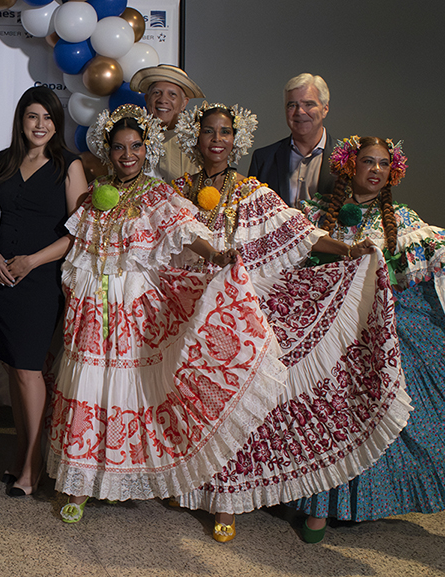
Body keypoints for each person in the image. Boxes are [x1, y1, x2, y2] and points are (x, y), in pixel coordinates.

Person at [169, 105, 405, 543]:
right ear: (194, 138)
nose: (217, 140)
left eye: (225, 133)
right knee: (193, 398)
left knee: (234, 401)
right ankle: (187, 480)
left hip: (240, 314)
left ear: (236, 142)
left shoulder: (254, 191)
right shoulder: (176, 191)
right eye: (208, 132)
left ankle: (227, 501)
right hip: (188, 310)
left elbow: (301, 234)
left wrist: (349, 252)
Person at [48, 104, 286, 524]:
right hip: (93, 308)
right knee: (89, 384)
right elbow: (79, 248)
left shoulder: (159, 194)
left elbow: (187, 234)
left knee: (132, 388)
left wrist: (216, 253)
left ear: (147, 149)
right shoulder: (94, 196)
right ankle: (81, 481)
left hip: (134, 310)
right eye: (119, 147)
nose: (127, 156)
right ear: (107, 150)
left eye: (136, 147)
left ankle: (132, 473)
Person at [293, 136, 445, 542]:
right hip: (328, 334)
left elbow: (429, 262)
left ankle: (360, 503)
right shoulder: (314, 213)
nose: (375, 170)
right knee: (329, 413)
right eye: (367, 162)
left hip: (377, 332)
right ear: (349, 166)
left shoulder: (405, 221)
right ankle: (319, 508)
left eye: (382, 163)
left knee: (385, 411)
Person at [0, 86, 87, 496]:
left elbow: (80, 231)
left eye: (47, 117)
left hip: (40, 281)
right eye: (32, 117)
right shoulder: (2, 162)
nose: (40, 125)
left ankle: (33, 464)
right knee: (13, 369)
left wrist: (32, 260)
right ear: (21, 121)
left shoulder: (67, 165)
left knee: (29, 370)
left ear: (56, 123)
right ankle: (21, 450)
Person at [247, 73, 334, 206]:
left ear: (325, 109)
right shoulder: (263, 159)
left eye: (308, 104)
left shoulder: (348, 160)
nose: (300, 112)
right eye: (292, 105)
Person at [129, 64, 205, 182]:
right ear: (147, 99)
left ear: (184, 103)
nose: (163, 100)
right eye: (157, 93)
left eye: (172, 94)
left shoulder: (196, 142)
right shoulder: (133, 137)